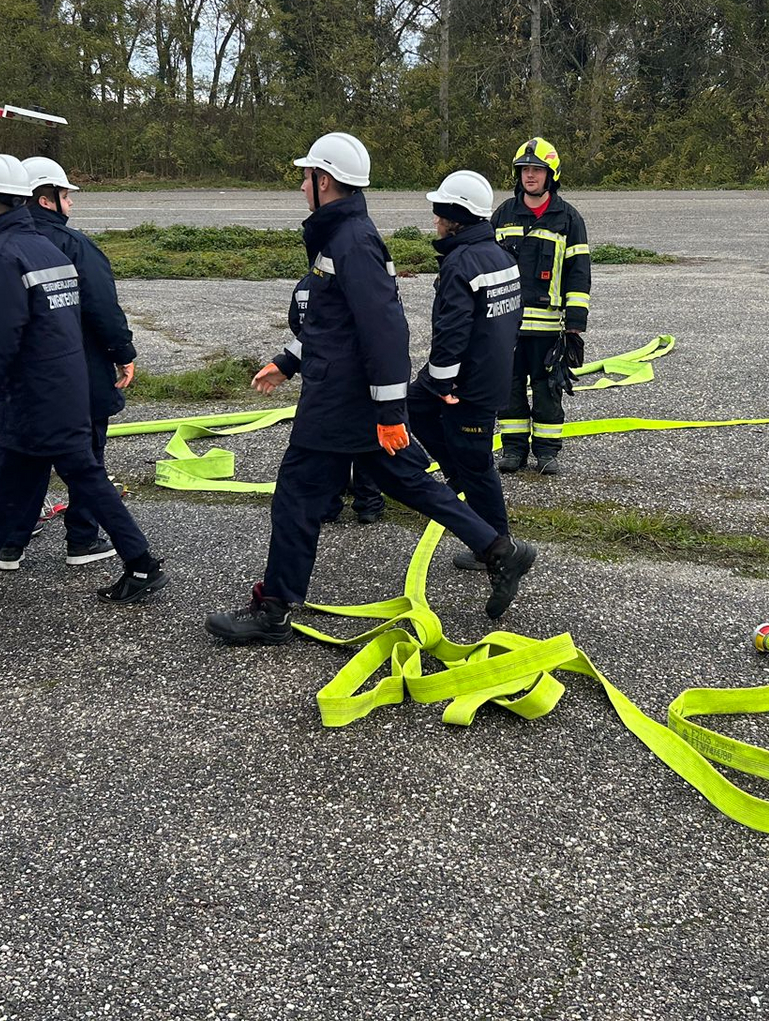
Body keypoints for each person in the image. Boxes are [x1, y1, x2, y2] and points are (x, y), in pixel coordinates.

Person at [206, 133, 536, 645]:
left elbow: (385, 332)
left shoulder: (352, 242)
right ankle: (500, 550)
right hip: (346, 394)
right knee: (408, 482)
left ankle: (274, 611)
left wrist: (388, 412)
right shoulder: (339, 236)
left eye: (306, 177)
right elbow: (330, 324)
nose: (301, 186)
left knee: (297, 494)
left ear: (325, 181)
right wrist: (287, 361)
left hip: (341, 401)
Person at [0, 155, 167, 606]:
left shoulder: (2, 258)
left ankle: (142, 564)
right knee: (10, 481)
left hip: (34, 398)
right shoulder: (46, 249)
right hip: (59, 390)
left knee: (86, 480)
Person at [7, 156, 139, 570]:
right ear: (46, 200)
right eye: (65, 195)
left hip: (24, 379)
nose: (70, 203)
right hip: (79, 372)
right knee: (87, 458)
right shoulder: (75, 245)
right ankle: (82, 540)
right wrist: (123, 353)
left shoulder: (3, 247)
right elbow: (102, 307)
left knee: (24, 460)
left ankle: (10, 542)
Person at [412, 170, 525, 577]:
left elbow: (453, 331)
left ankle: (498, 547)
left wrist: (443, 382)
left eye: (439, 213)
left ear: (455, 218)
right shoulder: (499, 254)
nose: (434, 221)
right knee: (414, 404)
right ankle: (456, 472)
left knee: (477, 466)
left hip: (467, 384)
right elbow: (513, 318)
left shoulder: (460, 263)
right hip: (489, 372)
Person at [492, 137, 590, 474]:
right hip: (507, 326)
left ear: (551, 174)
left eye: (537, 169)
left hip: (549, 328)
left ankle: (547, 452)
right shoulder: (503, 215)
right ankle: (513, 449)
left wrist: (575, 325)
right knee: (509, 388)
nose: (530, 175)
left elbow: (579, 274)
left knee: (548, 390)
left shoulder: (568, 219)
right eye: (524, 170)